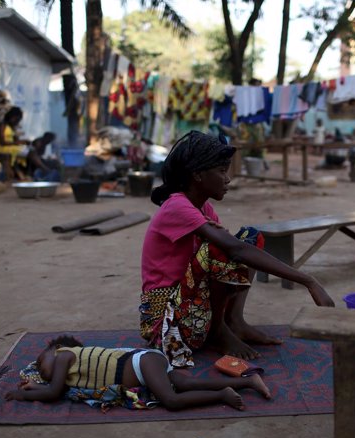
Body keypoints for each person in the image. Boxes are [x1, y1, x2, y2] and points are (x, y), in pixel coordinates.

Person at [139, 131, 335, 368]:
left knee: (250, 237)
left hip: (189, 313)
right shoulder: (177, 206)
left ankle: (234, 321)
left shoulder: (204, 209)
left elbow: (240, 250)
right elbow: (234, 250)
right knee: (224, 248)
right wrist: (308, 281)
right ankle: (217, 331)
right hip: (166, 326)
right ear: (198, 175)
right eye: (221, 171)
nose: (228, 179)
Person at [4, 335, 271, 411]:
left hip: (140, 363)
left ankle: (223, 395)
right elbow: (57, 390)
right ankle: (247, 382)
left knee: (172, 400)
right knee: (188, 385)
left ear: (57, 349)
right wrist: (35, 387)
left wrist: (20, 394)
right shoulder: (69, 372)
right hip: (147, 367)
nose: (41, 369)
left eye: (40, 363)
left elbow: (52, 393)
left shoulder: (64, 356)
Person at [0, 106, 29, 180]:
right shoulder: (2, 125)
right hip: (2, 148)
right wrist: (18, 142)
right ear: (11, 116)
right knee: (29, 153)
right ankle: (24, 174)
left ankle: (23, 175)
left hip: (11, 148)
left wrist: (20, 141)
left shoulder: (11, 127)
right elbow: (2, 142)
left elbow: (15, 140)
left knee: (29, 151)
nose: (17, 121)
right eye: (16, 119)